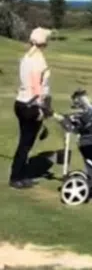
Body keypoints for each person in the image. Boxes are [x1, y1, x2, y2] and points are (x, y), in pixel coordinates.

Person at [10, 27, 52, 189]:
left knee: (25, 143)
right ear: (44, 43)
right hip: (31, 106)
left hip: (20, 103)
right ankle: (16, 178)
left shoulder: (26, 57)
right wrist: (42, 108)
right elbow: (36, 86)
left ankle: (21, 175)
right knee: (25, 144)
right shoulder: (38, 60)